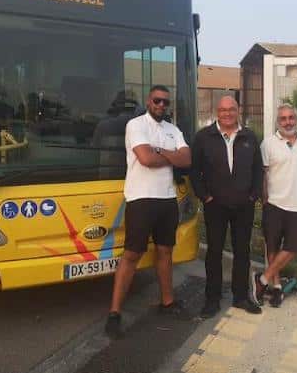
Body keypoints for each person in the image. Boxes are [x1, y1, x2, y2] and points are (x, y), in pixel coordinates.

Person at [105, 85, 191, 338]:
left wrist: (161, 151)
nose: (161, 106)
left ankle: (167, 302)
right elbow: (145, 159)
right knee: (132, 254)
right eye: (157, 101)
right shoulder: (136, 125)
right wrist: (172, 155)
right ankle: (114, 313)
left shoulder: (173, 129)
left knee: (165, 251)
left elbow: (187, 159)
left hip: (167, 199)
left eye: (165, 102)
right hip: (141, 200)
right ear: (148, 101)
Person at [190, 96, 263, 318]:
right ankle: (212, 299)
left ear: (238, 110)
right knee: (214, 252)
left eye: (231, 109)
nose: (227, 114)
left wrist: (253, 195)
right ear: (217, 112)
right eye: (223, 110)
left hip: (244, 206)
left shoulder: (249, 136)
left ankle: (240, 296)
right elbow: (195, 171)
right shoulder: (204, 137)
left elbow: (258, 169)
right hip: (216, 206)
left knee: (242, 251)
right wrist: (205, 197)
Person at [252, 103, 297, 308]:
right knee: (272, 247)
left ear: (296, 120)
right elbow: (262, 174)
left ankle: (262, 280)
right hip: (274, 204)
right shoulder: (268, 144)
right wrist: (264, 200)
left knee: (293, 247)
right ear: (277, 122)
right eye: (283, 119)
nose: (287, 122)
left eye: (291, 118)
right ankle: (276, 287)